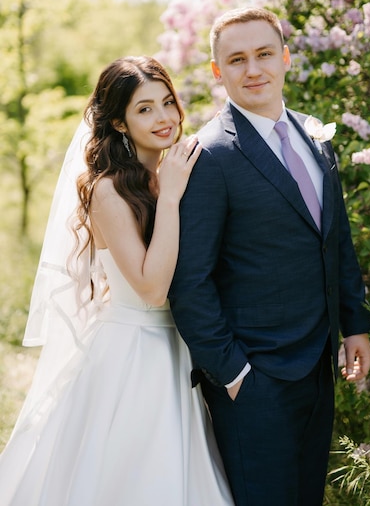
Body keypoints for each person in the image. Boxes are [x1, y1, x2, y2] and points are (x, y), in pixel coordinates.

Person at [0, 56, 234, 506]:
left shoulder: (178, 172)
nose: (164, 117)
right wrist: (169, 198)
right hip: (135, 353)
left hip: (183, 346)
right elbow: (151, 289)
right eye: (144, 109)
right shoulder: (107, 189)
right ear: (120, 123)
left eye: (167, 102)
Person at [169, 7, 370, 506]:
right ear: (218, 72)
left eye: (264, 54)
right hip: (254, 379)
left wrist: (355, 325)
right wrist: (235, 374)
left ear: (285, 58)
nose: (253, 69)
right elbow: (189, 281)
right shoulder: (210, 156)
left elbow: (336, 240)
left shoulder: (313, 135)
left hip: (318, 365)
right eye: (236, 60)